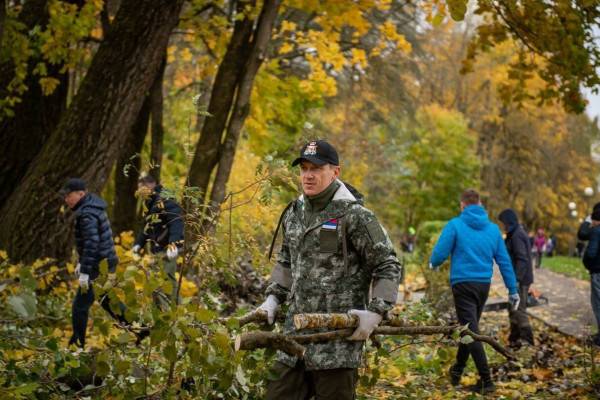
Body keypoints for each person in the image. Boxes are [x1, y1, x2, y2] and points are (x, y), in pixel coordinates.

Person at [257, 140, 402, 399]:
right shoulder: (294, 212)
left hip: (337, 343)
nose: (308, 175)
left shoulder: (355, 216)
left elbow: (388, 264)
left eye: (316, 168)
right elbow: (286, 260)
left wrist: (377, 312)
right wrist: (273, 297)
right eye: (304, 168)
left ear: (335, 172)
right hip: (295, 336)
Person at [429, 189, 519, 394]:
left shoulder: (456, 225)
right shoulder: (494, 230)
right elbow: (504, 261)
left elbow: (440, 252)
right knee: (468, 328)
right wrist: (512, 290)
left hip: (462, 284)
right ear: (480, 204)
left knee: (471, 331)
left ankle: (487, 381)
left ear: (462, 205)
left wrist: (433, 263)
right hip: (482, 286)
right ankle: (457, 372)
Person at [61, 178, 129, 348]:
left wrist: (85, 270)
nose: (66, 199)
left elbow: (92, 242)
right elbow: (89, 243)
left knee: (80, 306)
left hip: (98, 265)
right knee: (107, 300)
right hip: (105, 262)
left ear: (80, 194)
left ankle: (77, 344)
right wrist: (81, 262)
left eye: (69, 196)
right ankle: (139, 328)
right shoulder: (92, 207)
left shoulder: (87, 213)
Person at [132, 174, 184, 302]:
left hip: (167, 248)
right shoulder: (151, 202)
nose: (140, 193)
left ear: (150, 185)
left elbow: (176, 221)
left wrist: (174, 244)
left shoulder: (166, 198)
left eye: (141, 189)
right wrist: (139, 243)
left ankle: (176, 314)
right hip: (158, 249)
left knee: (166, 281)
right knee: (156, 283)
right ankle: (164, 314)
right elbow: (148, 226)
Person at [498, 209, 534, 347]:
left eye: (503, 223)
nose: (502, 226)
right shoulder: (514, 233)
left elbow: (522, 259)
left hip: (520, 279)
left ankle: (528, 340)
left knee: (519, 310)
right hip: (517, 278)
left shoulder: (517, 235)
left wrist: (516, 280)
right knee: (513, 308)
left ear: (509, 222)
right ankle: (514, 338)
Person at [581, 208, 600, 347]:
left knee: (598, 304)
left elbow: (592, 253)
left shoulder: (596, 231)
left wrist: (586, 261)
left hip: (597, 272)